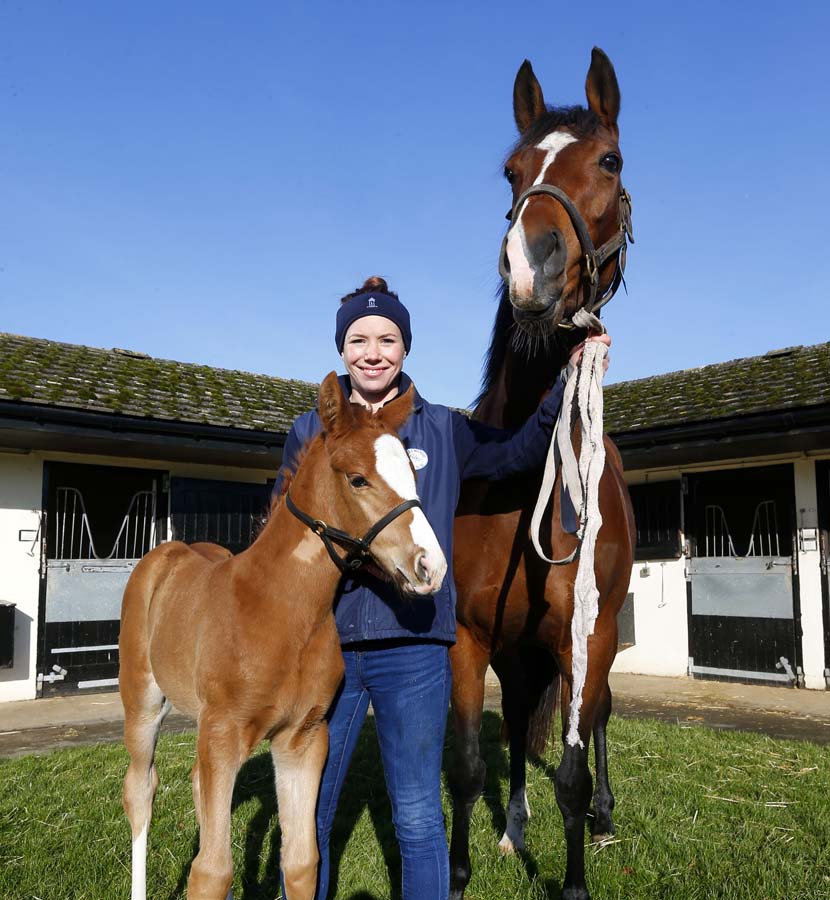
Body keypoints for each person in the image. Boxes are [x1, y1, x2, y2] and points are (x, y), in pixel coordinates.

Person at [274, 276, 611, 899]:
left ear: (405, 348)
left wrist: (565, 382)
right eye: (358, 339)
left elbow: (516, 453)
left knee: (419, 816)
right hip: (328, 648)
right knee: (312, 811)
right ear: (340, 348)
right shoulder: (309, 434)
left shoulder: (443, 431)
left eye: (387, 339)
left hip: (417, 647)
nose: (372, 352)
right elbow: (286, 535)